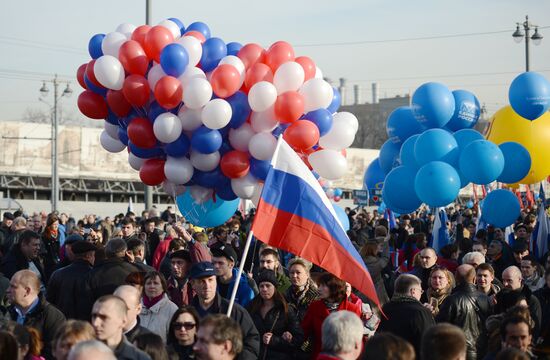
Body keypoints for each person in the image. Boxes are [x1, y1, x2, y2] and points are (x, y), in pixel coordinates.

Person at [189, 261, 260, 360]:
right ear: (193, 284)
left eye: (210, 280)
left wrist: (231, 357)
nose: (207, 285)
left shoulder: (235, 311)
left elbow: (252, 342)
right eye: (202, 281)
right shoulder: (187, 314)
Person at [5, 270, 66, 359]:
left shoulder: (53, 316)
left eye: (13, 287)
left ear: (27, 291)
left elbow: (55, 353)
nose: (7, 290)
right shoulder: (7, 313)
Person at [436, 264, 491, 360]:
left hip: (459, 351)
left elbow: (441, 328)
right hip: (482, 351)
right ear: (474, 279)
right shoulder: (486, 299)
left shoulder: (451, 300)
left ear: (456, 279)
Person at [301, 273, 362, 359]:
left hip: (345, 356)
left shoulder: (352, 309)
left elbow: (357, 337)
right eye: (319, 285)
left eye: (323, 286)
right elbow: (304, 331)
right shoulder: (315, 306)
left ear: (334, 287)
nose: (319, 289)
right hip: (321, 355)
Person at [247, 269, 303, 360]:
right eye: (261, 286)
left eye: (268, 286)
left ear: (275, 287)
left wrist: (275, 340)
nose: (264, 289)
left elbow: (298, 339)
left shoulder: (285, 309)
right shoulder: (251, 307)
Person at [378, 273, 435, 358]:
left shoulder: (386, 308)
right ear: (413, 291)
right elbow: (429, 343)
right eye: (421, 291)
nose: (421, 294)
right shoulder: (420, 312)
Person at [46, 241, 97, 320]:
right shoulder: (94, 275)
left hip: (60, 321)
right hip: (84, 324)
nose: (94, 258)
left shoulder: (57, 274)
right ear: (88, 256)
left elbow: (49, 300)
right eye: (93, 255)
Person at [90, 295, 150, 360]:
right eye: (94, 316)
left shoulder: (139, 358)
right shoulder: (82, 353)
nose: (96, 323)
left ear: (123, 321)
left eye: (104, 317)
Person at [166, 227, 211, 307]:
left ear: (189, 265)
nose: (175, 267)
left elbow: (203, 262)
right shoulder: (167, 285)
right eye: (173, 263)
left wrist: (190, 241)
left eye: (179, 263)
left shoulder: (196, 283)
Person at [501, 266, 542, 337]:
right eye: (503, 280)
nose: (505, 284)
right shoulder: (501, 296)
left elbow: (536, 328)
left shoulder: (531, 300)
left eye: (509, 280)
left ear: (520, 279)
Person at [139, 271, 178, 342]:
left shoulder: (172, 309)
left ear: (163, 287)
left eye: (156, 283)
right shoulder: (136, 306)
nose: (152, 286)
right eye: (148, 283)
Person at [360, 236, 390, 305]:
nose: (379, 248)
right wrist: (385, 243)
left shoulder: (359, 259)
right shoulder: (376, 263)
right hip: (376, 296)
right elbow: (385, 258)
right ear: (374, 249)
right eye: (378, 247)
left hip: (361, 295)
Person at [41, 214, 61, 279]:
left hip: (57, 261)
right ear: (50, 224)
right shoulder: (44, 235)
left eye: (57, 224)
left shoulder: (58, 233)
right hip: (49, 263)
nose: (56, 226)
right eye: (54, 224)